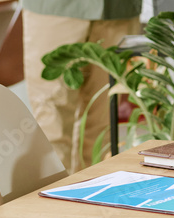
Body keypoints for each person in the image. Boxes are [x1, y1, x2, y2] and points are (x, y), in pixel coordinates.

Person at [23, 0, 142, 173]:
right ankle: (52, 198)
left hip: (118, 9)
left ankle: (94, 197)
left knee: (104, 126)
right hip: (54, 10)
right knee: (52, 125)